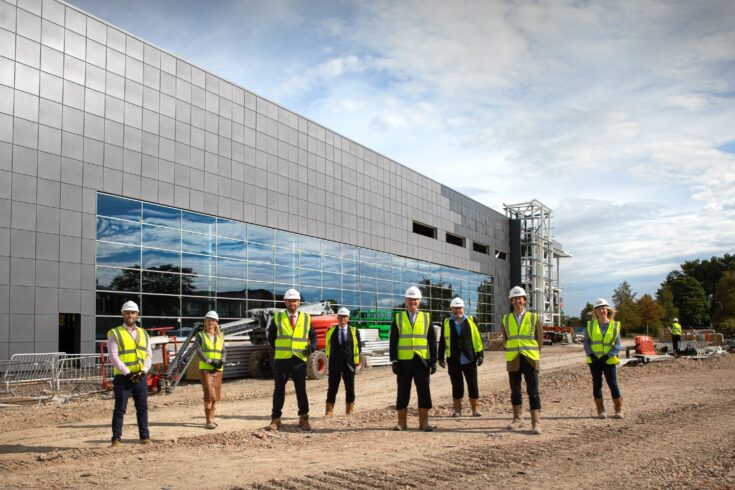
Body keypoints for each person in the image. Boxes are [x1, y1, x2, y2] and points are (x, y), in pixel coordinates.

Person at [267, 288, 317, 431]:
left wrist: (311, 348)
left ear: (299, 302)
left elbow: (313, 336)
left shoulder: (306, 318)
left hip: (299, 360)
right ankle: (275, 419)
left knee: (301, 390)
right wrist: (279, 349)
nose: (292, 303)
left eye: (294, 301)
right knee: (279, 390)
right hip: (282, 360)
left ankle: (304, 418)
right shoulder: (278, 317)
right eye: (289, 301)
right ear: (285, 302)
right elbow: (271, 337)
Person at [389, 286, 437, 431]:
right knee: (403, 391)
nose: (412, 302)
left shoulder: (427, 317)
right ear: (405, 301)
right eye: (410, 299)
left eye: (415, 299)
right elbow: (393, 341)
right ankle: (402, 423)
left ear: (419, 301)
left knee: (424, 391)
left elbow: (432, 341)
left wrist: (433, 360)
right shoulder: (398, 318)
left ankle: (424, 423)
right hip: (404, 362)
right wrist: (394, 361)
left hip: (421, 361)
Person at [107, 300, 152, 446]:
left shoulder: (144, 333)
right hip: (123, 377)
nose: (130, 315)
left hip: (140, 376)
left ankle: (144, 437)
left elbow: (149, 355)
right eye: (127, 313)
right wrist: (127, 373)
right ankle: (116, 439)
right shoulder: (115, 333)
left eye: (133, 313)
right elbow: (113, 357)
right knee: (120, 408)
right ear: (122, 314)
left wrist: (144, 371)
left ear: (137, 315)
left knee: (142, 408)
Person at [502, 286, 544, 434]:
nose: (517, 301)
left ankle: (536, 422)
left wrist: (532, 352)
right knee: (515, 390)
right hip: (513, 358)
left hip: (530, 358)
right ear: (511, 301)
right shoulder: (506, 319)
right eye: (514, 298)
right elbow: (506, 340)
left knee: (533, 391)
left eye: (520, 298)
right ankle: (518, 419)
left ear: (524, 300)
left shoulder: (533, 318)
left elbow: (539, 340)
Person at [438, 297, 484, 417]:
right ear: (451, 309)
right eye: (455, 308)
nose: (458, 310)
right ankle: (457, 409)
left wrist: (480, 354)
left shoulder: (472, 320)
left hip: (469, 358)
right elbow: (443, 340)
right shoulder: (447, 322)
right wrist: (440, 357)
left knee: (473, 384)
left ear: (463, 308)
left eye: (460, 308)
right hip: (453, 359)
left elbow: (477, 338)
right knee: (456, 384)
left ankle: (475, 408)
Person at [584, 298, 623, 419]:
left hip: (609, 360)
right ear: (595, 312)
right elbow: (586, 342)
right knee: (597, 384)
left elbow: (617, 344)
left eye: (603, 308)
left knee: (613, 384)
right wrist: (591, 354)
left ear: (608, 310)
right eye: (599, 309)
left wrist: (609, 355)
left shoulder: (614, 325)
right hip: (594, 361)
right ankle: (600, 411)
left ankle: (619, 410)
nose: (601, 311)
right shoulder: (590, 326)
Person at [324, 307, 362, 416]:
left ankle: (349, 410)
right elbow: (328, 346)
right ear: (337, 317)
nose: (342, 319)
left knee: (350, 387)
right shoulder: (331, 331)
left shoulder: (354, 331)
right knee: (332, 387)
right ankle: (329, 410)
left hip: (349, 363)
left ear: (348, 318)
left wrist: (355, 360)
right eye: (340, 316)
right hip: (335, 363)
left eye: (345, 316)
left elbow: (358, 348)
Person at [195, 310, 226, 429]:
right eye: (208, 320)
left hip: (218, 368)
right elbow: (198, 350)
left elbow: (224, 350)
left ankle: (212, 418)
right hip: (206, 368)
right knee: (209, 394)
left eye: (213, 320)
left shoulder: (220, 335)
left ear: (216, 322)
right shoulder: (200, 335)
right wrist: (207, 360)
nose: (210, 322)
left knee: (216, 395)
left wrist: (222, 359)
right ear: (205, 322)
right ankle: (208, 420)